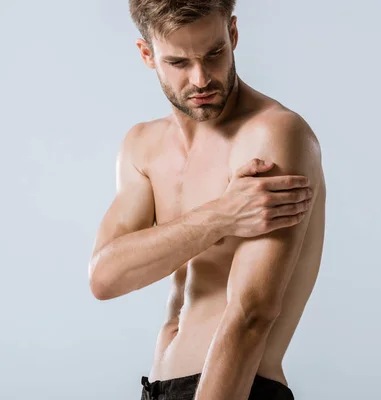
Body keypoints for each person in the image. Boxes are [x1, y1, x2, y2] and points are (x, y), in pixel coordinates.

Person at [87, 1, 325, 399]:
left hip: (239, 387)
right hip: (159, 388)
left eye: (214, 54)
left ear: (232, 34)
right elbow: (105, 277)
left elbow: (252, 315)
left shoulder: (272, 134)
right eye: (179, 62)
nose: (201, 79)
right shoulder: (142, 146)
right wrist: (222, 216)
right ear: (148, 55)